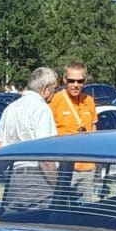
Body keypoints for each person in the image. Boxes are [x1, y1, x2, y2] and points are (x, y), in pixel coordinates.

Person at [0, 67, 59, 210]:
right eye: (54, 89)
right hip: (37, 179)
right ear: (45, 88)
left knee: (12, 226)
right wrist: (57, 187)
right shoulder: (41, 109)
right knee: (39, 226)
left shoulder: (10, 109)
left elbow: (0, 147)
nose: (54, 94)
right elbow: (45, 155)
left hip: (12, 180)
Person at [50, 62, 98, 198]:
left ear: (85, 81)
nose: (75, 85)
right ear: (64, 79)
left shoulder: (89, 101)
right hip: (64, 167)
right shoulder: (55, 100)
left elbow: (94, 130)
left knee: (86, 211)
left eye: (80, 81)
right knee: (62, 209)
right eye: (71, 81)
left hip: (87, 167)